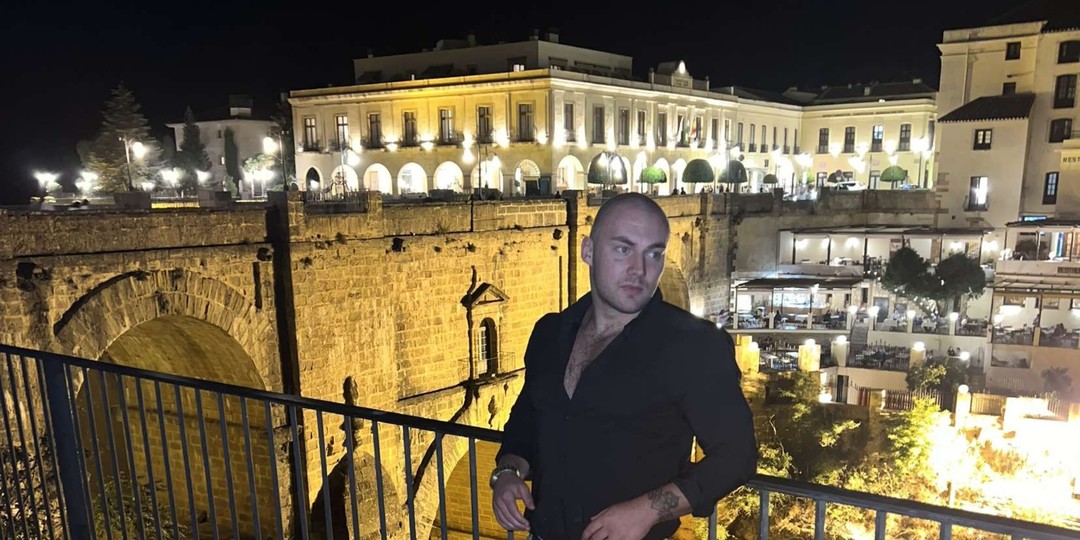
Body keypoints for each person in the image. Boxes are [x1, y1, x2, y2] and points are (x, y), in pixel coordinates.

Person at [491, 193, 757, 540]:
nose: (640, 270)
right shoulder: (550, 334)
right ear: (588, 251)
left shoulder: (694, 347)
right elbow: (527, 420)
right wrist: (507, 472)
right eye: (623, 249)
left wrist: (647, 510)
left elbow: (736, 456)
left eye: (654, 253)